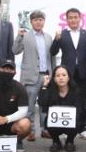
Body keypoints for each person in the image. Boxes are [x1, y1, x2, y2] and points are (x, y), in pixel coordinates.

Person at [12, 10, 55, 141]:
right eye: (35, 20)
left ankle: (44, 129)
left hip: (46, 76)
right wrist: (19, 36)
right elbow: (15, 50)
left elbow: (51, 57)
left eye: (40, 19)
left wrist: (52, 73)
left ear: (44, 21)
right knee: (29, 106)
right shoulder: (25, 36)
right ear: (31, 22)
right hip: (30, 76)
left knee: (45, 105)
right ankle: (30, 130)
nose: (38, 22)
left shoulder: (48, 37)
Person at [50, 8, 86, 139]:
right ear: (67, 19)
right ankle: (64, 128)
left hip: (83, 72)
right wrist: (56, 39)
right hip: (66, 73)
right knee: (65, 100)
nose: (73, 20)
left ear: (80, 18)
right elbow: (52, 52)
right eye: (70, 17)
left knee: (82, 100)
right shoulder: (62, 34)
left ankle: (82, 128)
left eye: (75, 17)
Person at [39, 65, 84, 152]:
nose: (61, 78)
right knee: (47, 119)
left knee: (79, 120)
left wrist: (73, 117)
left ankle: (70, 141)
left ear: (69, 77)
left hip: (71, 122)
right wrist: (45, 85)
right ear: (54, 78)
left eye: (64, 75)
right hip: (55, 123)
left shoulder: (75, 90)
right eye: (58, 75)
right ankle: (56, 141)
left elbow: (79, 109)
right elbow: (42, 103)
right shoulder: (50, 90)